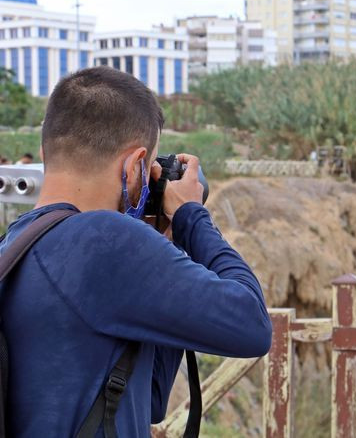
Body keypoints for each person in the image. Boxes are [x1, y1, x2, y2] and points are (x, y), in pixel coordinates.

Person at [0, 67, 272, 437]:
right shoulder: (103, 240)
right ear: (134, 167)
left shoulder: (16, 244)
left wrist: (168, 244)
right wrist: (192, 215)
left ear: (47, 151)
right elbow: (253, 325)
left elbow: (151, 398)